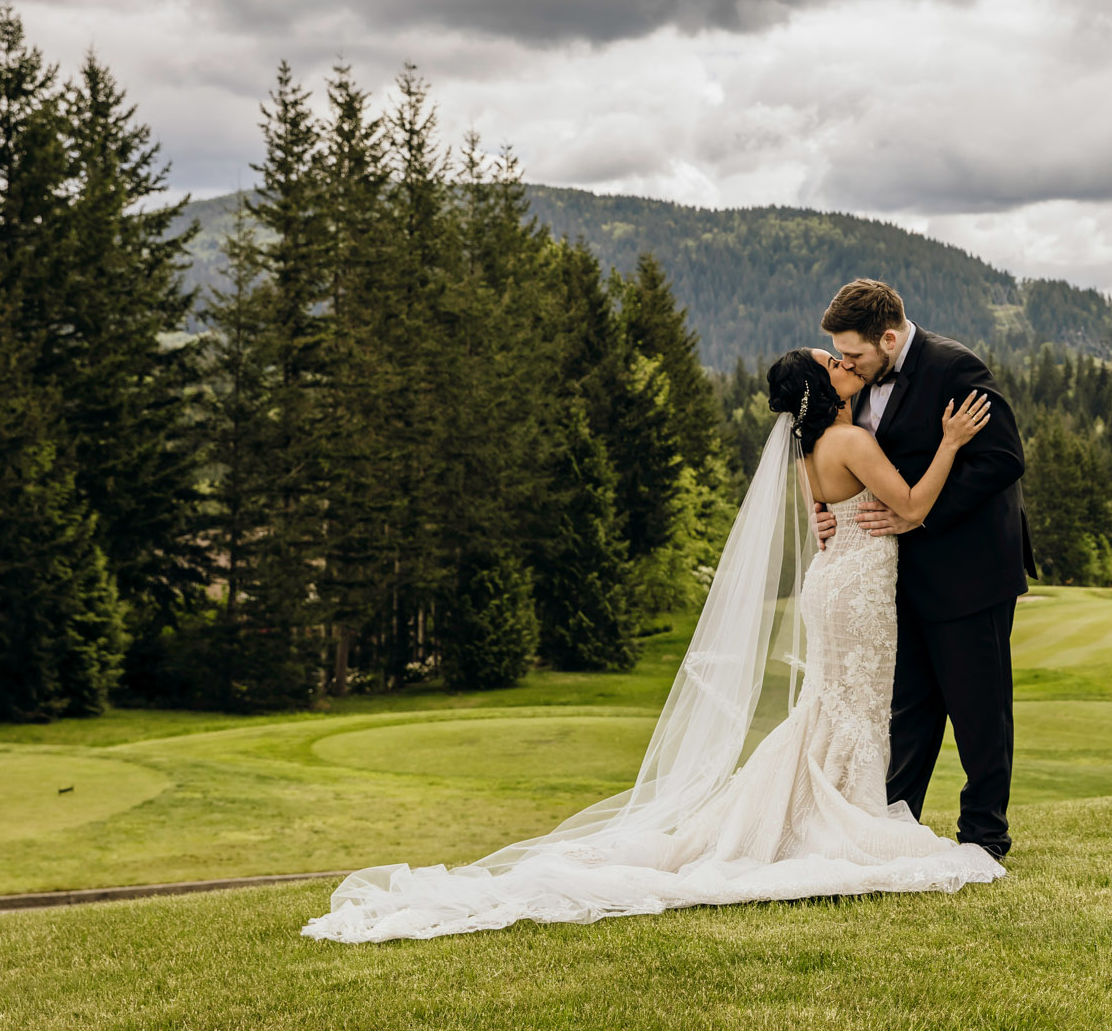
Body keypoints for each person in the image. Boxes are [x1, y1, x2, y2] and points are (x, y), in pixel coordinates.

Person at [303, 342, 1003, 943]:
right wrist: (949, 442)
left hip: (837, 584)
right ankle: (843, 822)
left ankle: (830, 812)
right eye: (832, 361)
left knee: (835, 707)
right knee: (849, 706)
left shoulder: (807, 452)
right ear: (823, 388)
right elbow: (909, 507)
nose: (843, 363)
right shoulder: (849, 440)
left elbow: (829, 517)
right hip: (855, 592)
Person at [813, 279, 1036, 861]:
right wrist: (825, 510)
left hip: (970, 571)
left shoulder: (956, 369)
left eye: (856, 354)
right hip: (894, 576)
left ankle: (985, 835)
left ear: (889, 338)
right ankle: (893, 828)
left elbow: (1004, 459)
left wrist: (921, 518)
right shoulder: (856, 382)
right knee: (908, 708)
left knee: (978, 708)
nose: (849, 365)